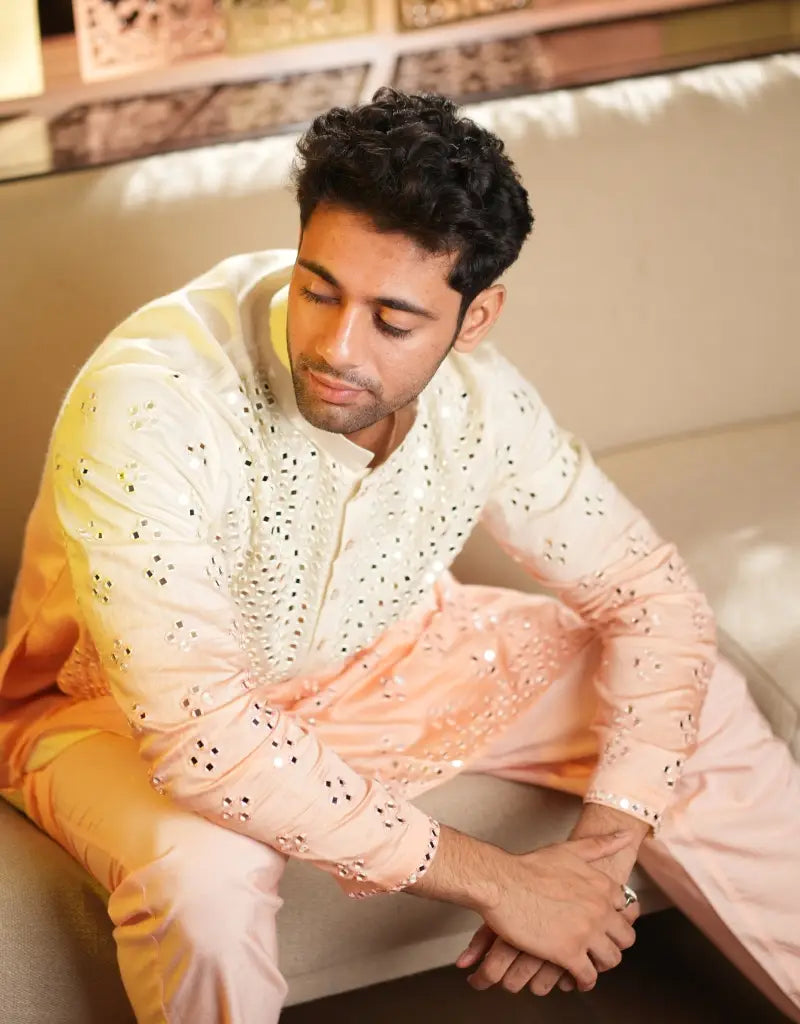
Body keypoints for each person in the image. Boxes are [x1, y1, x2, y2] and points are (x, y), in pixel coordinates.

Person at [0, 87, 798, 1024]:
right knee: (205, 882)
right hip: (114, 718)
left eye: (393, 319)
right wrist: (504, 883)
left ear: (478, 316)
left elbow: (648, 593)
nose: (337, 348)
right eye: (317, 289)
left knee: (694, 704)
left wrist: (594, 865)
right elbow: (199, 737)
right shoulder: (151, 399)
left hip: (392, 656)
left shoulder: (482, 398)